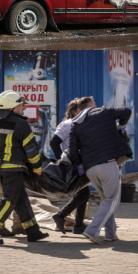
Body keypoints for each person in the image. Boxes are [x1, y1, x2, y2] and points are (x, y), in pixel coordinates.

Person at [0, 90, 48, 245]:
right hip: (14, 169)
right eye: (20, 104)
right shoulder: (22, 124)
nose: (23, 107)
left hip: (0, 168)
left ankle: (33, 232)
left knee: (21, 199)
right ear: (12, 107)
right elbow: (31, 150)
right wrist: (37, 167)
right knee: (8, 200)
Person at [69, 96, 133, 245]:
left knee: (106, 200)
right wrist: (121, 127)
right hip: (108, 166)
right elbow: (127, 111)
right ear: (91, 105)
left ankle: (111, 234)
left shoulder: (75, 124)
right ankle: (92, 230)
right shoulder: (103, 112)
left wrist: (80, 165)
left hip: (90, 169)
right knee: (112, 201)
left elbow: (72, 150)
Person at [49, 98, 90, 235]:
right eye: (81, 109)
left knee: (83, 193)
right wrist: (62, 161)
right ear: (74, 111)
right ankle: (61, 216)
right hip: (71, 164)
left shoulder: (82, 124)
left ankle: (78, 225)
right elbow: (54, 142)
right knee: (83, 194)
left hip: (80, 164)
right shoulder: (67, 125)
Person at [0, 146, 24, 236]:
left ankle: (17, 226)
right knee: (3, 197)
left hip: (7, 162)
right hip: (4, 163)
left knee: (16, 196)